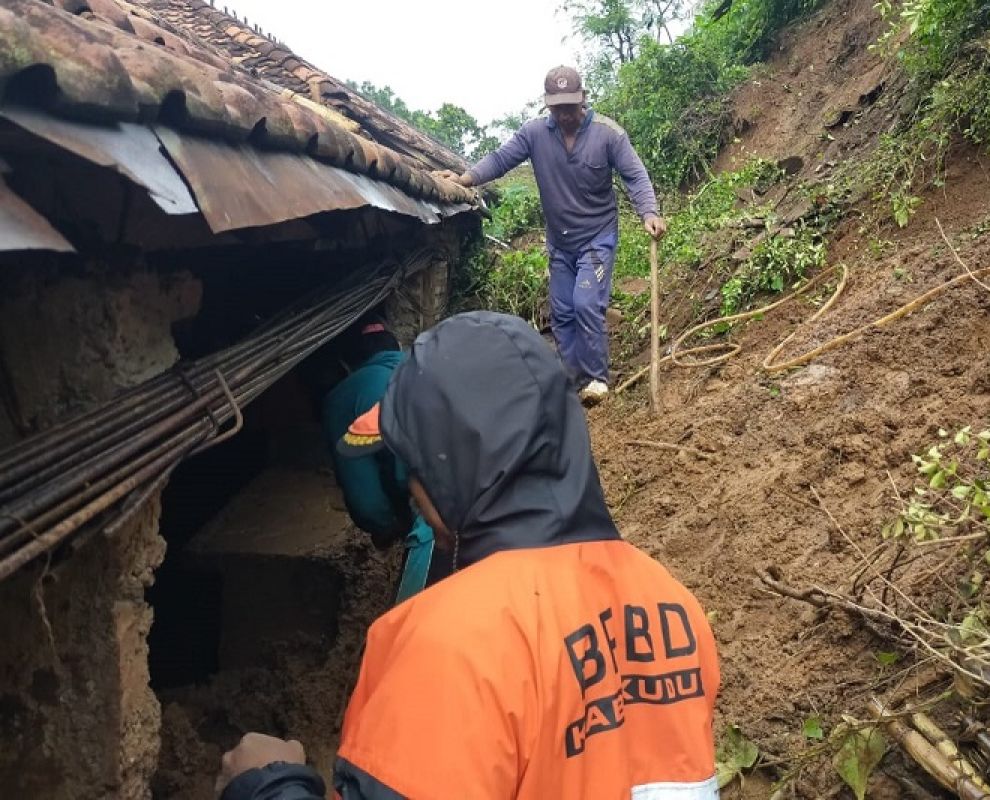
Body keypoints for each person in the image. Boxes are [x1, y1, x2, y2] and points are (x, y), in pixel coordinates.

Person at [216, 311, 720, 800]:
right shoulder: (673, 605)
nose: (412, 485)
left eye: (412, 463)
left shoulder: (452, 644)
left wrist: (268, 783)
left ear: (450, 465)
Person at [436, 66, 667, 404]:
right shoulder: (533, 134)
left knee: (586, 303)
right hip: (560, 241)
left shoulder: (608, 134)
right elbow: (501, 160)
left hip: (596, 236)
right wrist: (463, 180)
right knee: (561, 311)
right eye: (558, 108)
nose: (565, 115)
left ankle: (597, 379)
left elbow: (635, 175)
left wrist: (649, 212)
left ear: (583, 99)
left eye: (570, 107)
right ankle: (573, 382)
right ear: (547, 105)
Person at [321, 315, 444, 603]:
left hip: (436, 525)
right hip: (503, 509)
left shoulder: (342, 396)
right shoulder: (431, 365)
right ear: (397, 346)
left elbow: (363, 493)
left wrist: (386, 526)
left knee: (410, 633)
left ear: (345, 364)